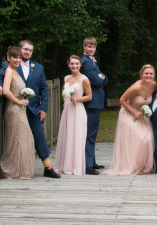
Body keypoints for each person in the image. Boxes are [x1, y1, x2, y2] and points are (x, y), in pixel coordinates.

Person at [0, 40, 60, 178]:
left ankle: (48, 167)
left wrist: (43, 108)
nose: (27, 52)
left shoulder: (38, 68)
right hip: (15, 109)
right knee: (17, 139)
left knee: (39, 137)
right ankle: (16, 167)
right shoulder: (9, 65)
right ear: (20, 49)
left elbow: (44, 89)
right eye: (25, 49)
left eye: (30, 50)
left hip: (33, 109)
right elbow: (2, 76)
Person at [104, 64, 156, 175]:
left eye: (151, 74)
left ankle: (142, 165)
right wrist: (134, 112)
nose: (149, 76)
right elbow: (122, 100)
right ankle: (133, 167)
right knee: (137, 138)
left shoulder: (153, 85)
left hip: (141, 115)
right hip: (128, 113)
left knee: (147, 138)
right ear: (142, 74)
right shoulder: (136, 87)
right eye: (146, 73)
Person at [53, 55, 92, 175]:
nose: (74, 66)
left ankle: (75, 167)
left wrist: (78, 99)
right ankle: (65, 165)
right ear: (68, 64)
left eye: (76, 64)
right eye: (72, 64)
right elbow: (64, 93)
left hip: (78, 110)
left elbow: (90, 96)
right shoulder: (66, 78)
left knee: (76, 137)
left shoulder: (84, 79)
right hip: (67, 111)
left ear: (80, 65)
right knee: (66, 136)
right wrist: (65, 101)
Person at [0, 47, 35, 179]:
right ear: (8, 58)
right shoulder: (9, 71)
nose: (18, 60)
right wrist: (18, 101)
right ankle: (11, 170)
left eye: (20, 58)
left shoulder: (15, 72)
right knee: (16, 141)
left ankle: (21, 170)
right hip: (13, 110)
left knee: (25, 139)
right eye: (15, 57)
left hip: (19, 111)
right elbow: (6, 90)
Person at [80, 37, 108, 175]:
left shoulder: (91, 61)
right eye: (89, 46)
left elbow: (104, 78)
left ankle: (92, 161)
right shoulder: (85, 62)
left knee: (93, 132)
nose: (91, 49)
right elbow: (98, 80)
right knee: (90, 133)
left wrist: (101, 77)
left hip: (96, 102)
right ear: (84, 47)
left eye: (93, 47)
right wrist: (101, 77)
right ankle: (88, 165)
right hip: (91, 103)